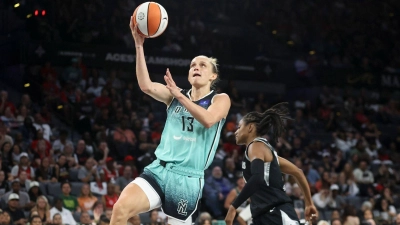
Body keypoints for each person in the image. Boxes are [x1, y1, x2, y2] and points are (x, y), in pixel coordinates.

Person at [110, 20, 231, 225]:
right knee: (120, 209)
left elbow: (209, 120)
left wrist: (180, 96)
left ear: (213, 75)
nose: (196, 67)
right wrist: (139, 45)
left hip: (188, 179)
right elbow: (146, 85)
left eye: (202, 65)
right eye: (193, 65)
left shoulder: (220, 99)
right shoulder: (175, 95)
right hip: (159, 170)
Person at [225, 103, 318, 225]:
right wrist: (309, 203)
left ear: (250, 127)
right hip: (264, 215)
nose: (236, 132)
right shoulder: (266, 152)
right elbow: (297, 172)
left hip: (275, 213)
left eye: (239, 127)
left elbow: (257, 177)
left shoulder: (255, 145)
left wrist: (233, 207)